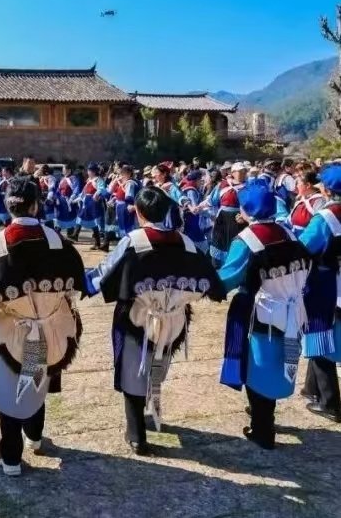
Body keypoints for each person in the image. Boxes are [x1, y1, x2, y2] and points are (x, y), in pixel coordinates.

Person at [0, 175, 86, 476]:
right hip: (50, 328)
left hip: (10, 331)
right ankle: (34, 435)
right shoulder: (59, 241)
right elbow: (79, 285)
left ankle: (10, 457)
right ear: (36, 206)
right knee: (41, 373)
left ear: (8, 206)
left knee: (10, 387)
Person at [86, 186, 224, 455]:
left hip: (138, 318)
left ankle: (136, 432)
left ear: (139, 213)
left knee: (133, 369)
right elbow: (210, 282)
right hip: (173, 319)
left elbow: (104, 273)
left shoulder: (135, 241)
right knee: (158, 364)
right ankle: (150, 412)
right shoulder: (186, 242)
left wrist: (82, 284)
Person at [219, 180, 310, 449]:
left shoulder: (248, 240)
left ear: (246, 209)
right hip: (292, 308)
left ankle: (262, 429)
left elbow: (228, 276)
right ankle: (265, 416)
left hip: (259, 310)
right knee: (276, 361)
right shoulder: (288, 232)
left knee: (256, 365)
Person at [297, 164, 341, 422]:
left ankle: (330, 402)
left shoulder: (327, 218)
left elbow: (305, 247)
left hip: (325, 280)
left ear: (326, 189)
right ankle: (312, 387)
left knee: (318, 334)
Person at [206, 161, 249, 267]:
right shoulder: (223, 185)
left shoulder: (249, 187)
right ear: (233, 173)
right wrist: (198, 207)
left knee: (236, 246)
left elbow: (252, 206)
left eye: (244, 171)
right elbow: (211, 201)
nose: (242, 174)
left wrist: (246, 218)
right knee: (219, 244)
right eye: (239, 172)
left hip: (239, 220)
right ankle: (217, 271)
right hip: (223, 220)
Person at [75, 163, 106, 249]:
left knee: (83, 217)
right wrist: (78, 198)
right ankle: (97, 243)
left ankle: (75, 235)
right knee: (92, 223)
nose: (88, 172)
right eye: (88, 170)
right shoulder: (89, 180)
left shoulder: (98, 180)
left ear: (94, 171)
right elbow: (84, 191)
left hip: (93, 202)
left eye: (89, 170)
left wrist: (97, 193)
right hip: (86, 202)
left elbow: (102, 189)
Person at [288, 168, 325, 236]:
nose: (296, 186)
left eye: (298, 183)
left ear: (308, 185)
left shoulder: (319, 200)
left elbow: (319, 226)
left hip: (307, 240)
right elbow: (289, 221)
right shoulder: (301, 200)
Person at [109, 164, 139, 238]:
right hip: (120, 208)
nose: (121, 176)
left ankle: (128, 245)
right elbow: (112, 192)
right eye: (121, 174)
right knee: (121, 226)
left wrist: (121, 185)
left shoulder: (130, 183)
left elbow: (129, 196)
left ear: (128, 174)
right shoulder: (124, 183)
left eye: (123, 174)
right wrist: (114, 199)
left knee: (127, 227)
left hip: (126, 208)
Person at [53, 165, 81, 239]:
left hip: (69, 201)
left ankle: (70, 235)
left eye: (64, 170)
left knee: (70, 217)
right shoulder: (62, 179)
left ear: (69, 170)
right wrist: (56, 197)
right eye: (63, 170)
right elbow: (58, 190)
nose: (63, 171)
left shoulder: (74, 178)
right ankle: (57, 233)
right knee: (59, 217)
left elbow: (76, 189)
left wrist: (72, 198)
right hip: (61, 202)